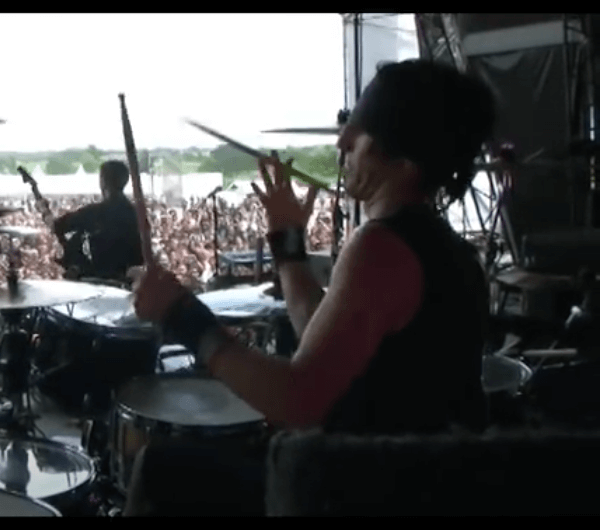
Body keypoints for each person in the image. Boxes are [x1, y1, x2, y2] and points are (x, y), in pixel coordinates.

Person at [124, 59, 496, 516]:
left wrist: (180, 314)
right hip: (423, 482)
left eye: (358, 133)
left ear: (404, 158)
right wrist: (289, 247)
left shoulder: (381, 247)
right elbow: (320, 336)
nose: (342, 141)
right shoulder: (444, 247)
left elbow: (299, 401)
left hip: (372, 491)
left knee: (161, 469)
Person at [52, 160, 143, 283]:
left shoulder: (94, 212)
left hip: (98, 282)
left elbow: (58, 226)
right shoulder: (136, 214)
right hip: (128, 284)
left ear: (103, 181)